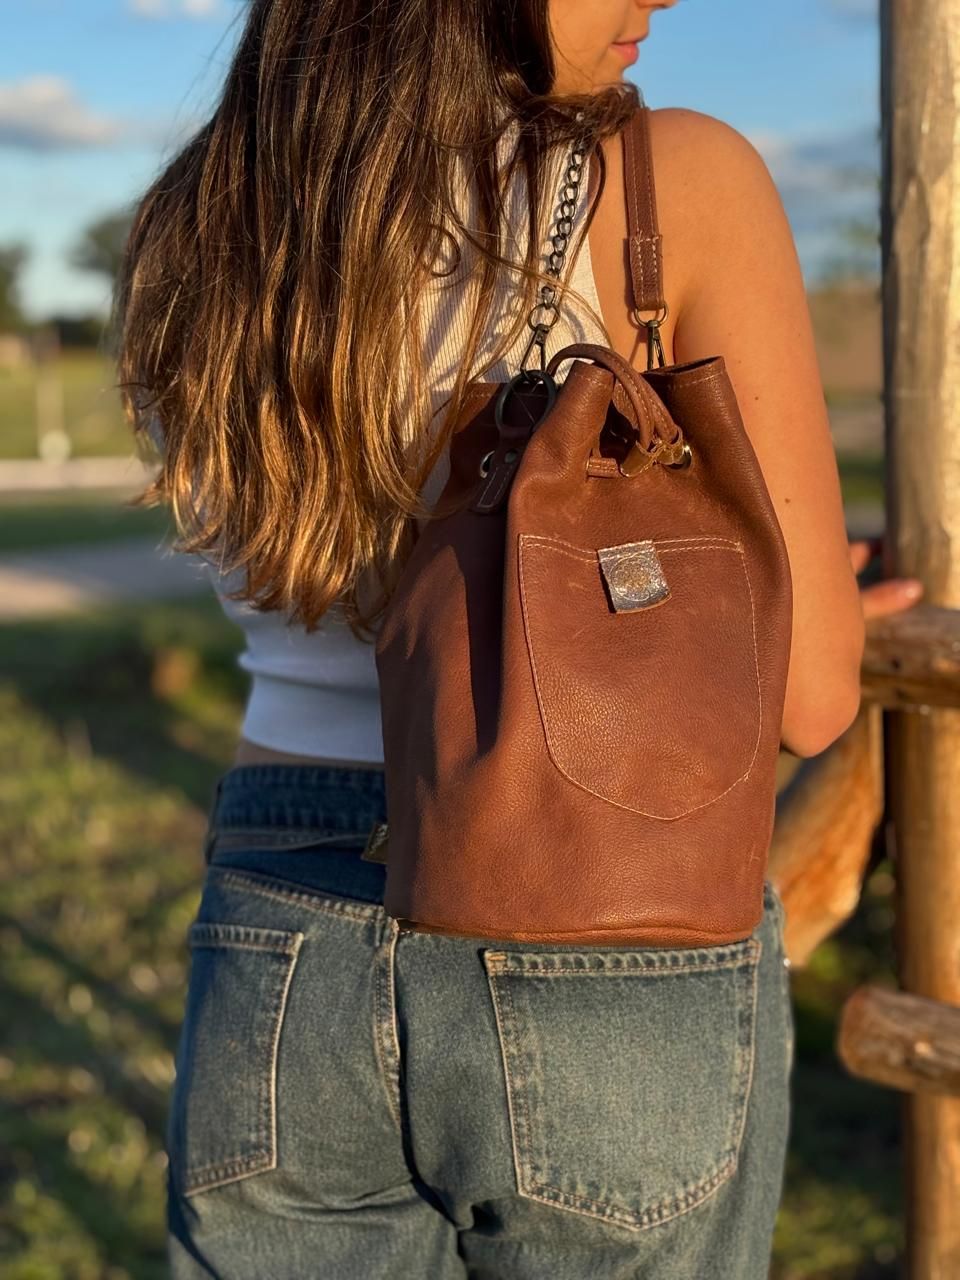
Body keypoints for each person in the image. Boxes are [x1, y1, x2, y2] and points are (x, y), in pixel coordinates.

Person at [115, 1, 918, 1276]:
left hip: (281, 908)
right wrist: (787, 607)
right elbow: (811, 700)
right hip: (599, 910)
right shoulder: (676, 179)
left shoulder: (205, 219)